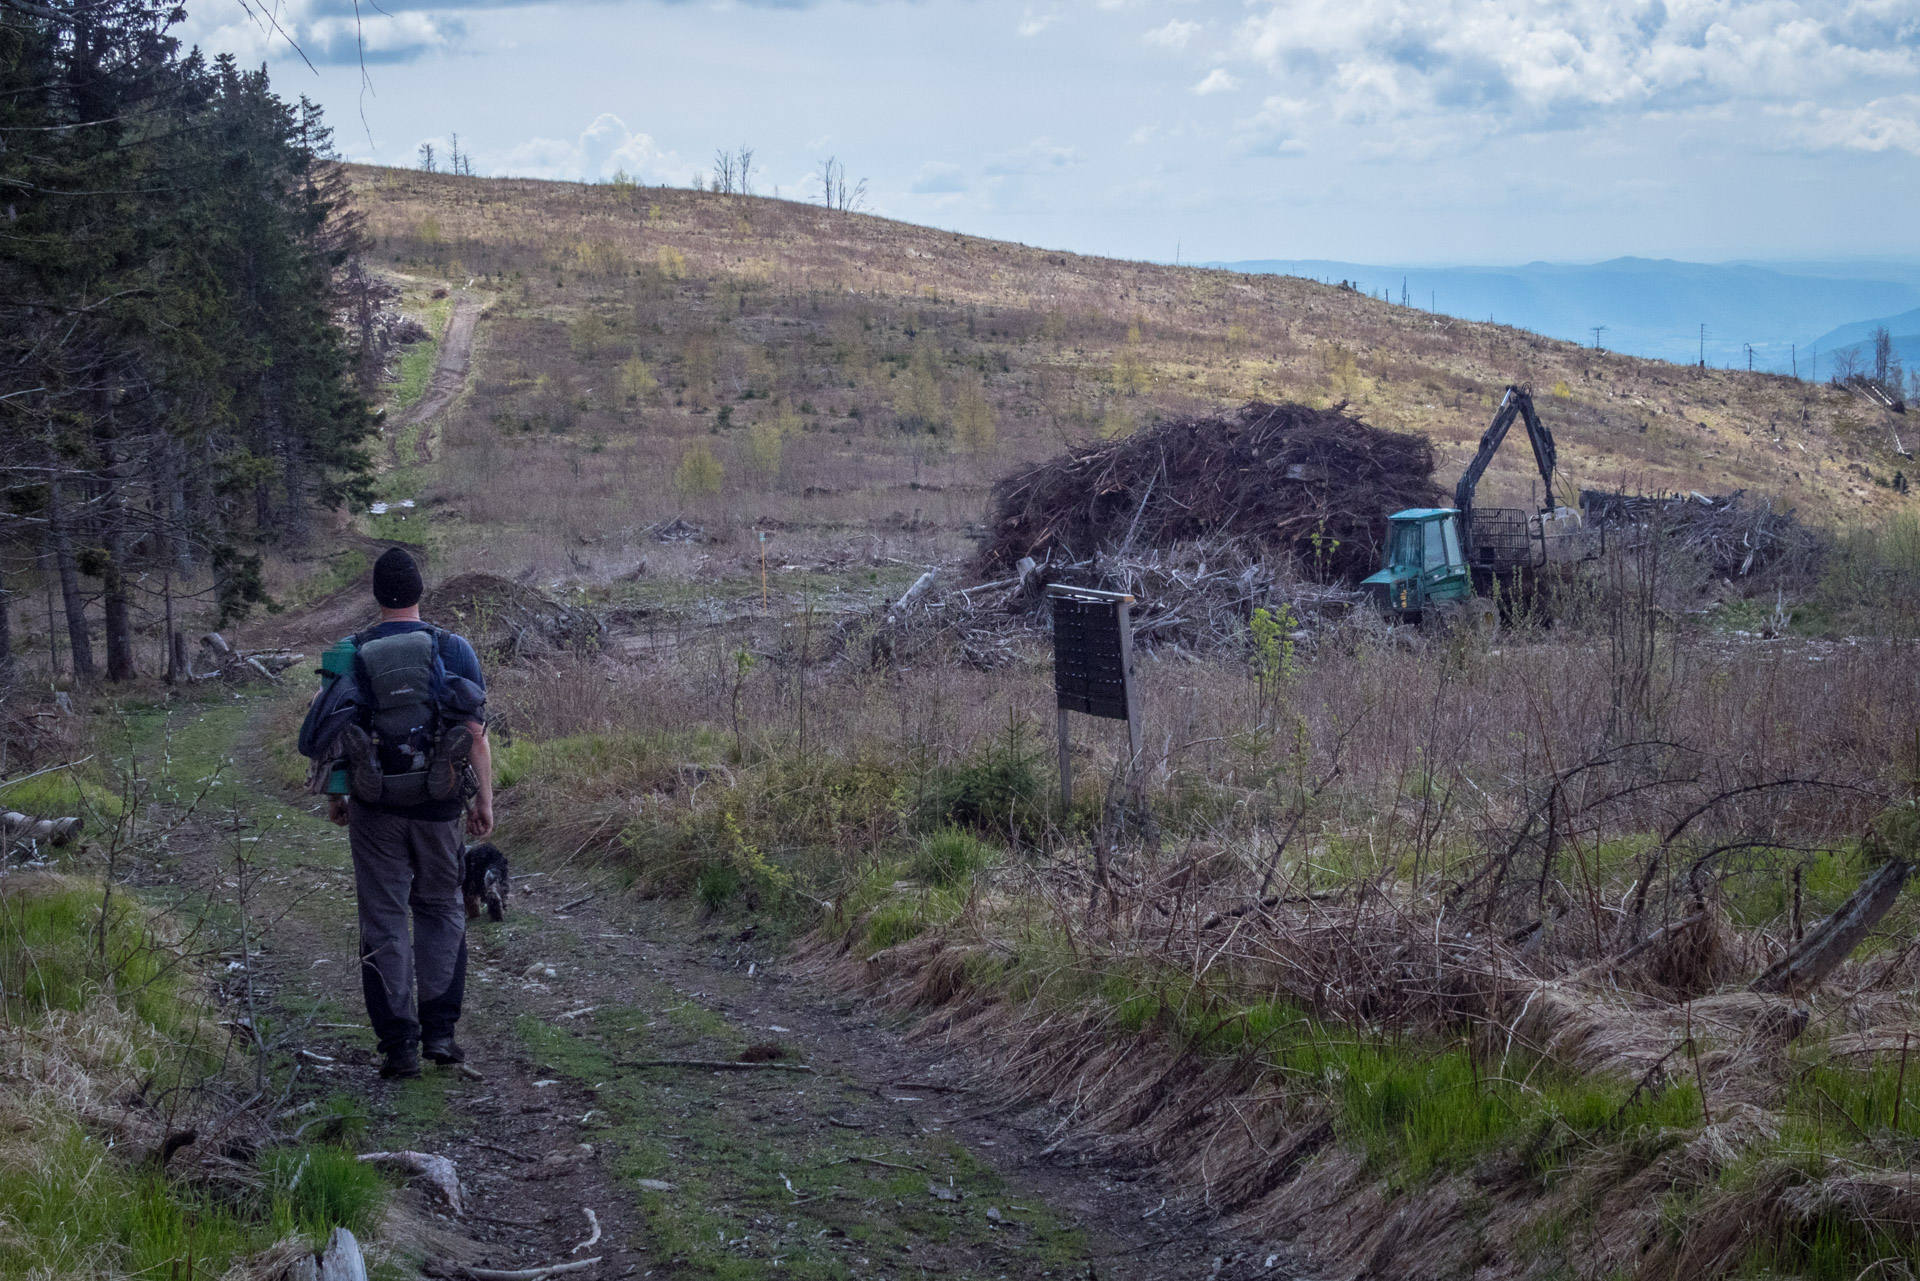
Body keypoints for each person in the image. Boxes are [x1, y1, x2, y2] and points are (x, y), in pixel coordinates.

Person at [324, 548, 494, 1080]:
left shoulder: (346, 652)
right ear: (421, 591)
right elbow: (475, 736)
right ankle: (440, 1033)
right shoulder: (452, 646)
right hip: (440, 806)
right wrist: (484, 800)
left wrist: (337, 794)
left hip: (374, 809)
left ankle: (399, 1047)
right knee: (441, 908)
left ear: (376, 595)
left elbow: (335, 732)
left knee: (383, 918)